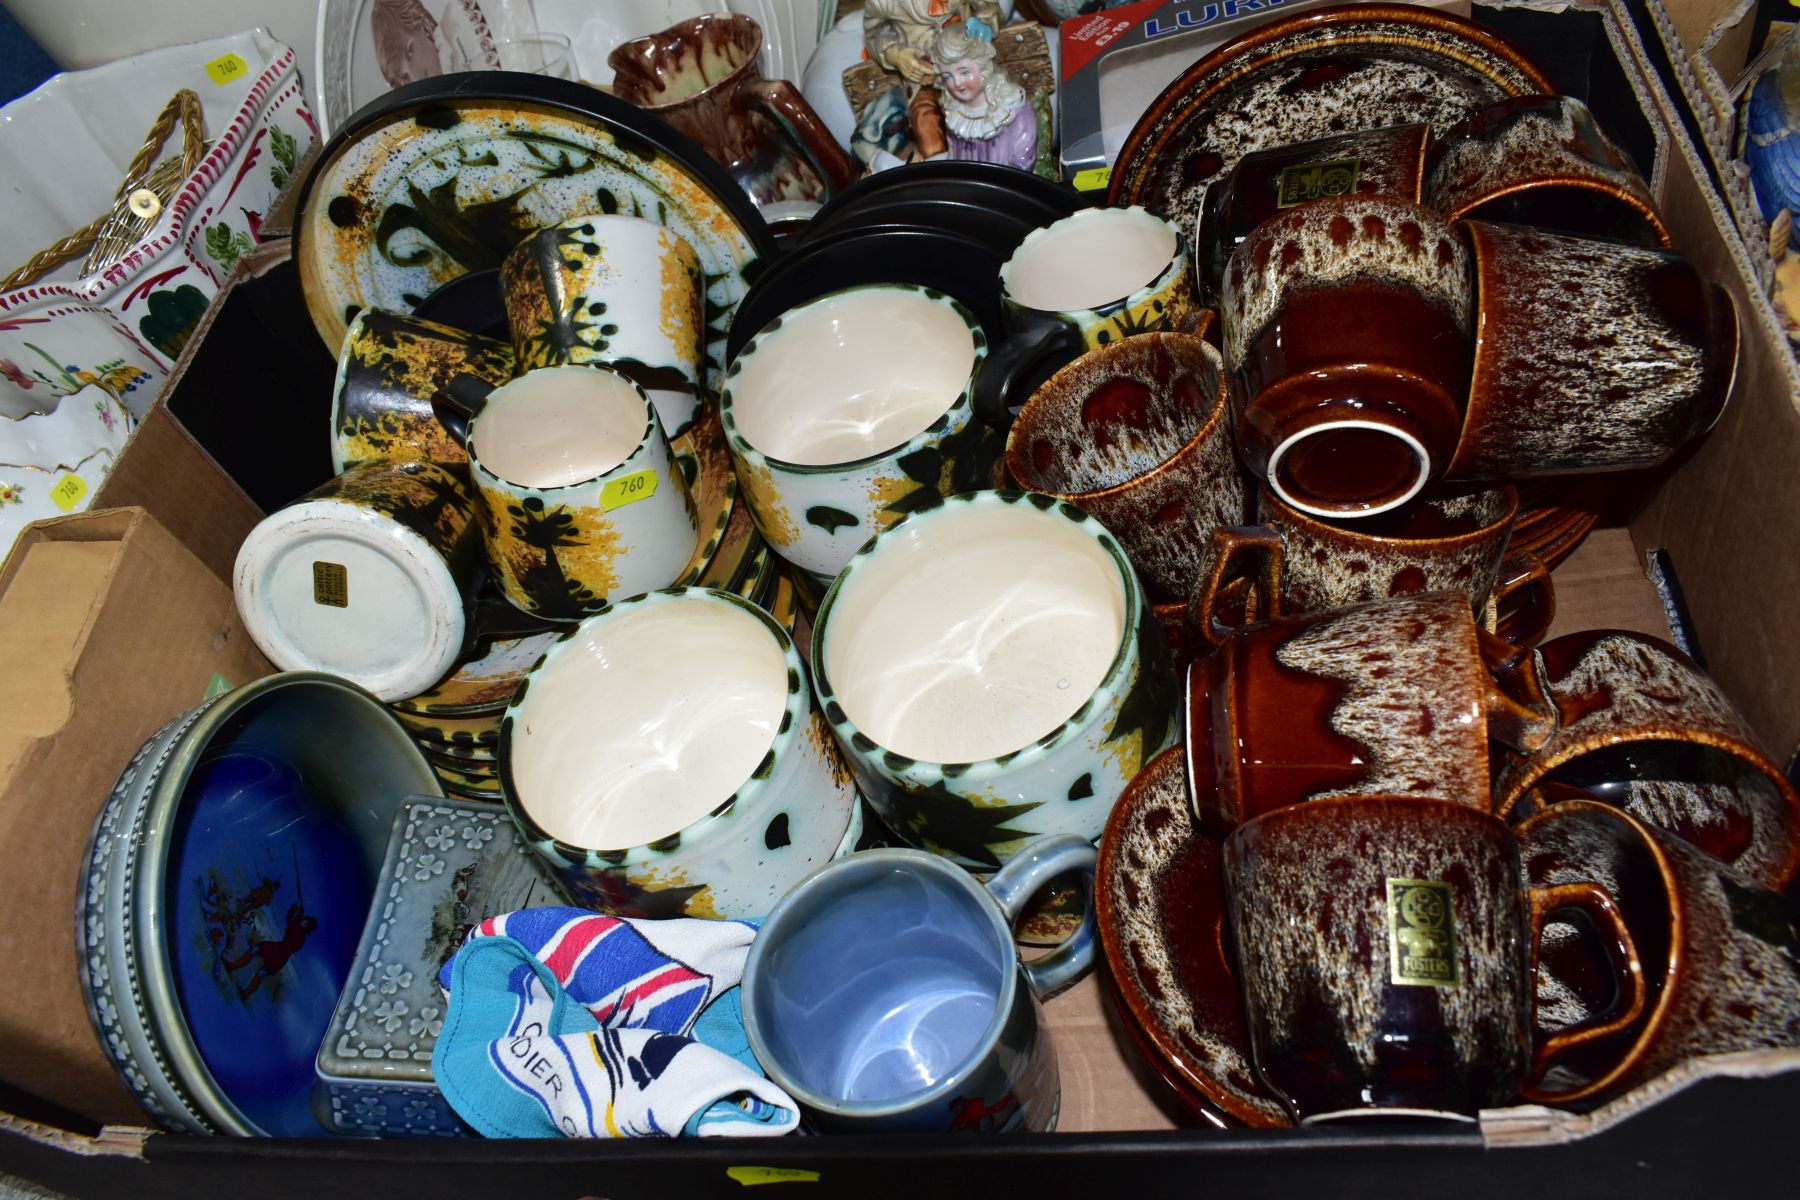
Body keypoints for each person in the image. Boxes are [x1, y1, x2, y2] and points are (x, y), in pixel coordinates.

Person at [861, 0, 1003, 161]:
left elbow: (989, 6)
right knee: (927, 126)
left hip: (968, 73)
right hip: (924, 79)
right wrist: (894, 55)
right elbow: (875, 32)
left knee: (991, 119)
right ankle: (940, 171)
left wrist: (984, 24)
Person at [933, 24, 1037, 172]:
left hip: (1004, 187)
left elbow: (1023, 160)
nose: (957, 83)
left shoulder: (1014, 107)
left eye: (964, 72)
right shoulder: (953, 111)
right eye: (948, 76)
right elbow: (953, 156)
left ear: (983, 68)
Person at [222, 900, 318, 1001]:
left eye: (307, 924)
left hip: (279, 954)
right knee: (254, 951)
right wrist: (295, 908)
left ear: (307, 928)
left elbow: (291, 927)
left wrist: (297, 914)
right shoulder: (299, 930)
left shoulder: (300, 938)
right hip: (277, 950)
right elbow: (289, 917)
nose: (304, 922)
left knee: (261, 971)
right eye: (306, 921)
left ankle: (245, 992)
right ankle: (232, 968)